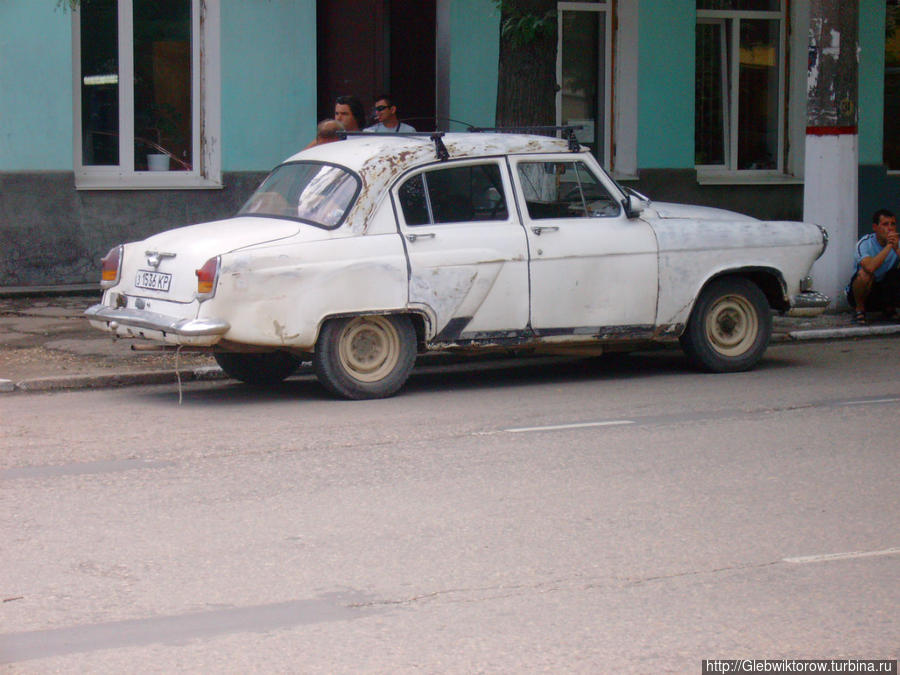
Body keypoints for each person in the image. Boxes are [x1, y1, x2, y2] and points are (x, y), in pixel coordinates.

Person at [846, 208, 900, 324]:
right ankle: (859, 310)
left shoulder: (898, 243)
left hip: (885, 290)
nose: (890, 228)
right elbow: (870, 267)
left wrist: (896, 249)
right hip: (865, 293)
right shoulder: (865, 243)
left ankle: (889, 308)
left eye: (893, 224)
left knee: (895, 274)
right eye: (885, 224)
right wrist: (889, 247)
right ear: (875, 227)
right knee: (864, 274)